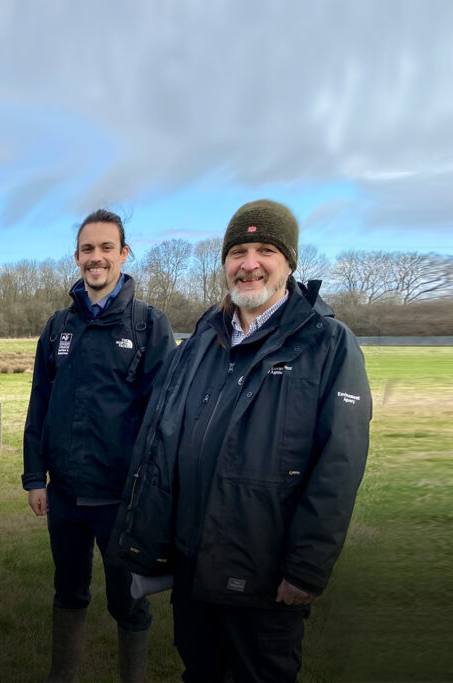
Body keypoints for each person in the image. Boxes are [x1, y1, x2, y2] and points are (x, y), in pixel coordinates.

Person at [113, 200, 371, 682]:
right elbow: (162, 441)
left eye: (265, 250)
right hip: (194, 566)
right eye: (238, 252)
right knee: (200, 672)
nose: (249, 263)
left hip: (265, 575)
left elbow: (338, 466)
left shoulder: (327, 344)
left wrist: (307, 568)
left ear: (289, 262)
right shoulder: (201, 343)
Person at [23, 210, 175, 683]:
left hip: (122, 502)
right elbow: (39, 404)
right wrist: (34, 477)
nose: (96, 258)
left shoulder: (149, 326)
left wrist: (152, 493)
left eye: (106, 248)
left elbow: (164, 422)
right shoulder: (58, 327)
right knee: (68, 592)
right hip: (65, 497)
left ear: (124, 254)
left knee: (126, 601)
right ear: (76, 257)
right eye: (88, 249)